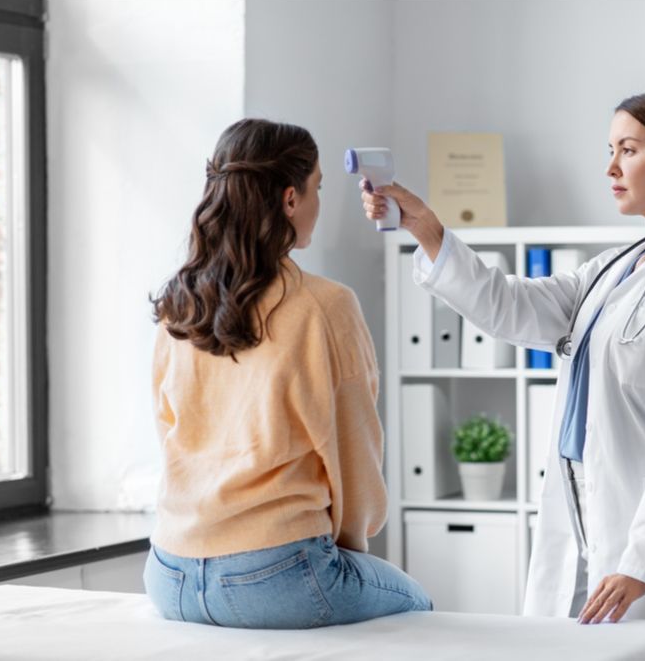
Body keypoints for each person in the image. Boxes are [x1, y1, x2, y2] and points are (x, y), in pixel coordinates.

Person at [359, 89, 645, 659]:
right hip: (574, 534)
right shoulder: (615, 267)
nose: (611, 167)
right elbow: (509, 306)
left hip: (642, 565)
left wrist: (642, 564)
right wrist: (427, 229)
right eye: (610, 149)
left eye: (629, 149)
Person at [145, 118, 432, 629]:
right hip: (277, 574)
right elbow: (353, 450)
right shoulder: (325, 306)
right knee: (420, 610)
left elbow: (168, 431)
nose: (319, 202)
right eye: (317, 187)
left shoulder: (179, 303)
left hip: (169, 573)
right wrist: (350, 549)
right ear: (289, 199)